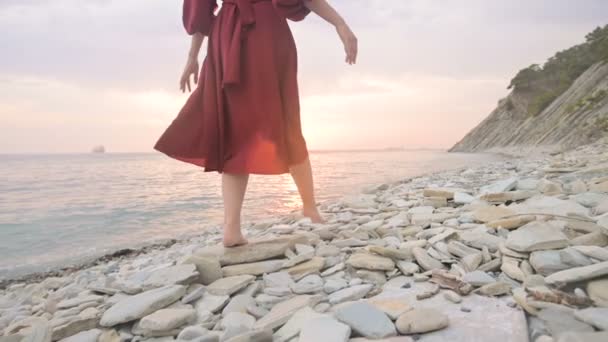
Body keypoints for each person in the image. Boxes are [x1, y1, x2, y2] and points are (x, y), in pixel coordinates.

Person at [154, 0, 357, 247]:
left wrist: (192, 55)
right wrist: (340, 23)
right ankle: (309, 208)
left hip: (228, 36)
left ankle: (232, 227)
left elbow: (200, 9)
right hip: (266, 33)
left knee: (236, 127)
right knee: (285, 121)